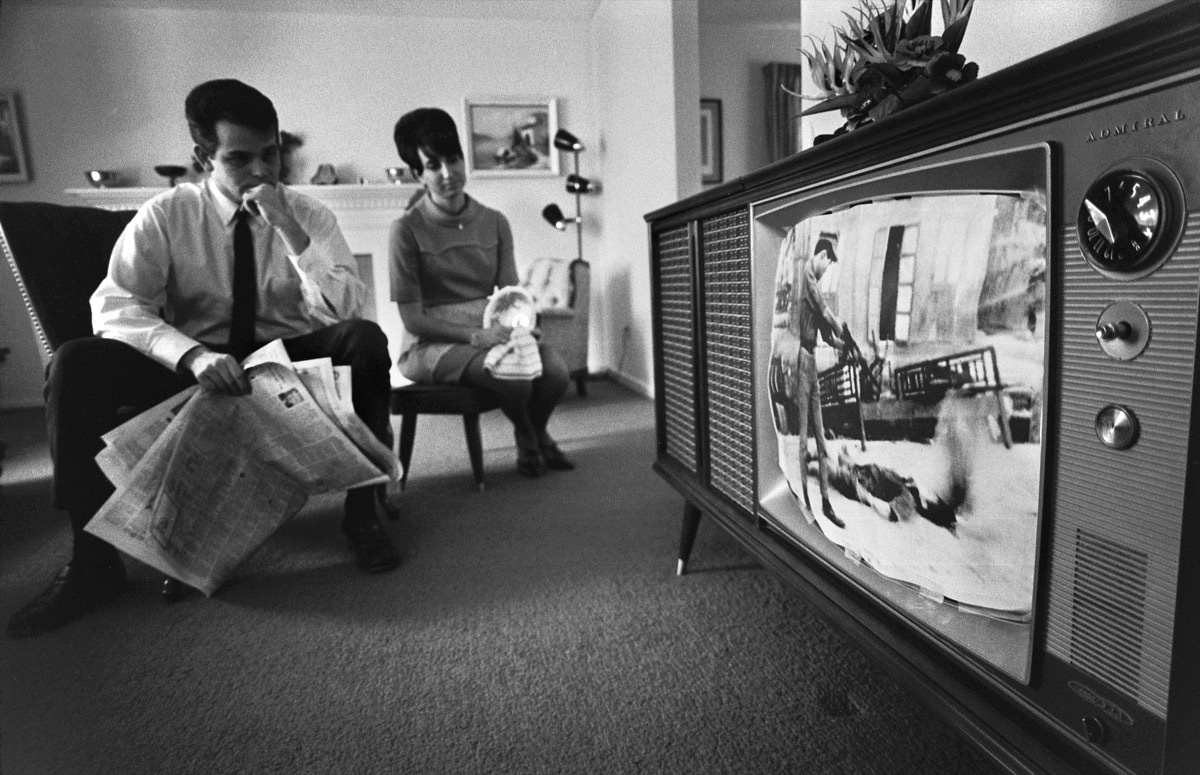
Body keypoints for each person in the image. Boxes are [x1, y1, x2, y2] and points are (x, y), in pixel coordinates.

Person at [7, 79, 398, 640]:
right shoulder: (166, 215)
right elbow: (115, 307)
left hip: (284, 358)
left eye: (270, 155)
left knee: (364, 339)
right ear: (203, 157)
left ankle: (363, 515)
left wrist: (290, 231)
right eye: (240, 159)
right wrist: (190, 355)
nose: (261, 172)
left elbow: (344, 308)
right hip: (194, 362)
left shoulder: (308, 217)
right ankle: (93, 562)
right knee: (75, 362)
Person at [389, 107, 573, 478]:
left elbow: (510, 295)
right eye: (433, 165)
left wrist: (524, 326)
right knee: (513, 375)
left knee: (555, 371)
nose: (448, 173)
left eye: (453, 159)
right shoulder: (405, 230)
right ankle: (529, 435)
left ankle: (535, 430)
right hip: (430, 344)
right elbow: (413, 318)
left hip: (492, 332)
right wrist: (476, 336)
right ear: (417, 174)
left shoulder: (495, 222)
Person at [774, 228, 845, 527]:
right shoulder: (807, 276)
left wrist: (841, 342)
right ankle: (805, 503)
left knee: (821, 435)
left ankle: (825, 503)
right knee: (804, 438)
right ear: (822, 255)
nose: (827, 268)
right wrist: (838, 326)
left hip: (812, 361)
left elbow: (824, 330)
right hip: (803, 360)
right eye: (828, 262)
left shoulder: (814, 284)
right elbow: (824, 310)